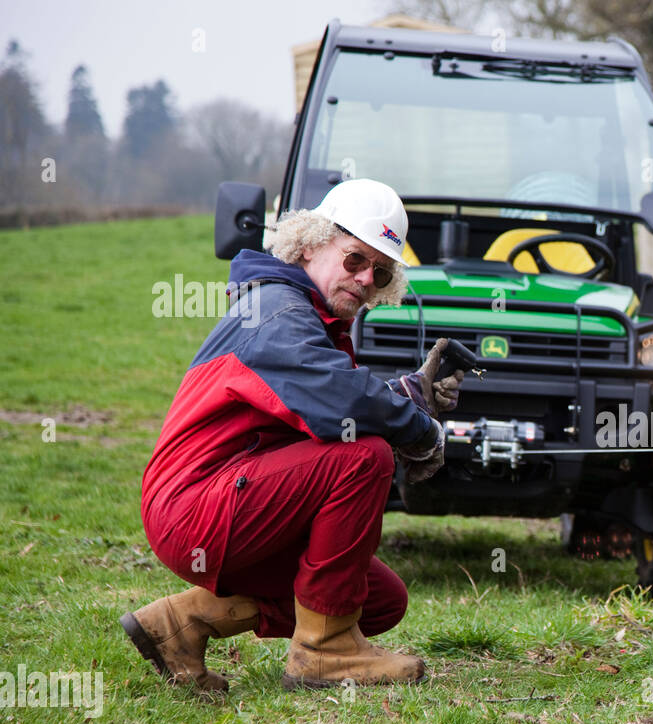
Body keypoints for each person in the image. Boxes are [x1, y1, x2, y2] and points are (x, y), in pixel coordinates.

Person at [121, 178, 463, 692]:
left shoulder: (305, 317)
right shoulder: (277, 310)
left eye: (381, 271)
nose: (367, 278)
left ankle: (182, 624)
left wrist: (403, 394)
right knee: (364, 456)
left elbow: (318, 407)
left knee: (381, 598)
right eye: (355, 260)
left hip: (229, 500)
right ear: (309, 242)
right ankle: (323, 652)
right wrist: (418, 428)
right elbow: (337, 396)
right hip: (193, 509)